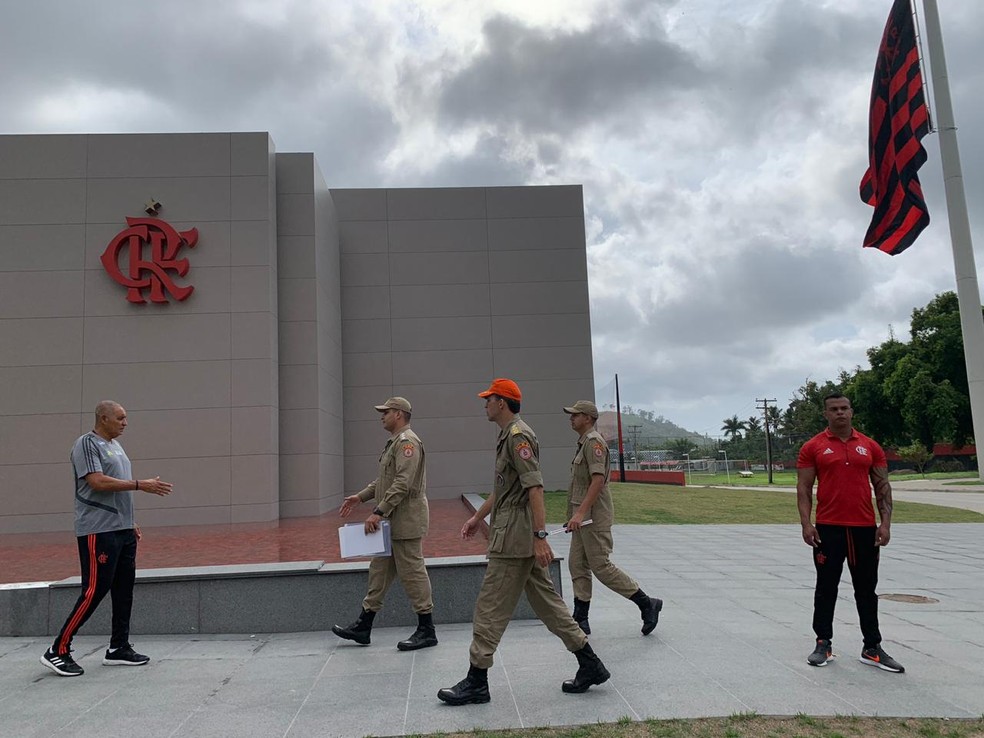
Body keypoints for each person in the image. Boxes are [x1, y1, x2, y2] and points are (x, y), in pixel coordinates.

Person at [438, 379, 610, 706]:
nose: (484, 404)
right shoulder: (508, 436)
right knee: (549, 604)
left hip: (515, 536)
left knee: (489, 606)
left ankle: (476, 680)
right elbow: (503, 488)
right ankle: (591, 664)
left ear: (501, 403)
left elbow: (535, 488)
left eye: (488, 399)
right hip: (513, 530)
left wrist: (540, 537)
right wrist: (478, 518)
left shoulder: (518, 437)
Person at [41, 401, 173, 677]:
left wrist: (130, 522)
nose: (125, 423)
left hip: (122, 530)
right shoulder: (87, 444)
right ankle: (58, 650)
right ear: (103, 418)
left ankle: (118, 648)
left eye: (126, 418)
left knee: (124, 591)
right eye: (120, 418)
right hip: (98, 530)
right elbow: (97, 482)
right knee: (94, 591)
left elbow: (116, 487)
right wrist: (140, 485)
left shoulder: (116, 446)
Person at [797, 392, 904, 673]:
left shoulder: (869, 446)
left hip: (864, 530)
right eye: (834, 409)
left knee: (866, 590)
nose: (840, 413)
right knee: (826, 587)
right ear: (826, 414)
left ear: (852, 412)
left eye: (844, 408)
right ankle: (823, 642)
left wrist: (885, 523)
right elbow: (804, 488)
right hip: (828, 529)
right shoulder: (813, 447)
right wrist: (807, 524)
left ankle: (872, 647)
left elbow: (883, 487)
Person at [332, 397, 437, 651]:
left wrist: (378, 512)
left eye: (386, 412)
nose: (382, 416)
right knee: (378, 572)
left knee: (412, 573)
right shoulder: (394, 443)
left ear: (399, 414)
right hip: (392, 521)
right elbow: (383, 481)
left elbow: (403, 482)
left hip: (406, 520)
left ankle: (427, 629)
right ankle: (363, 626)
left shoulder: (407, 443)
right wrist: (360, 497)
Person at [562, 400, 663, 636]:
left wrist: (579, 513)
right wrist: (573, 515)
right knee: (577, 564)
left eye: (575, 415)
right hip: (582, 518)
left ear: (588, 418)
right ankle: (581, 618)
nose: (571, 418)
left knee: (601, 567)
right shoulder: (583, 443)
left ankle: (647, 603)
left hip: (593, 517)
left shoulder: (594, 442)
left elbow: (597, 481)